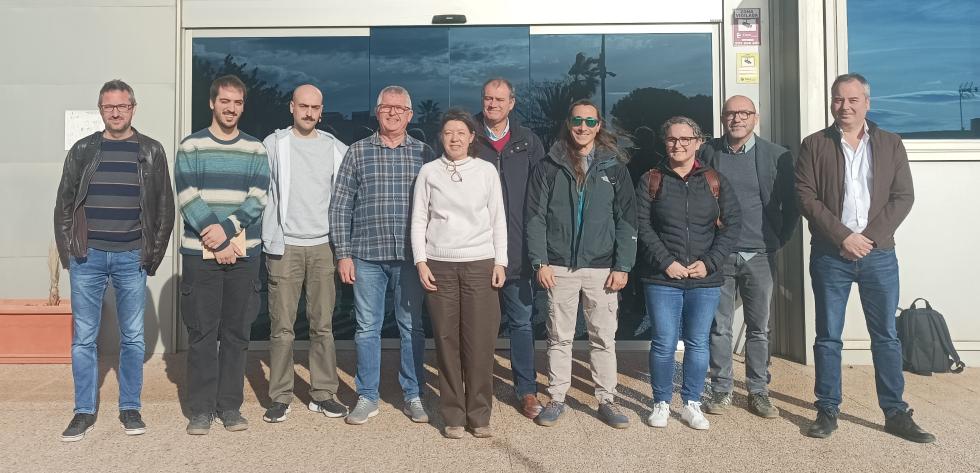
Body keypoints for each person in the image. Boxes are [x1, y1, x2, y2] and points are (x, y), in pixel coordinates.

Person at [796, 73, 934, 443]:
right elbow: (806, 197)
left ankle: (895, 412)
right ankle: (827, 409)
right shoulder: (814, 144)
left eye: (853, 99)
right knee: (828, 336)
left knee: (886, 336)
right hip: (831, 255)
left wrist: (867, 239)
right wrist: (843, 237)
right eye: (838, 99)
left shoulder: (890, 143)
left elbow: (903, 197)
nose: (845, 106)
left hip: (878, 255)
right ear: (831, 102)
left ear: (867, 103)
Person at [54, 79, 175, 441]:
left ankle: (130, 408)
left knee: (133, 337)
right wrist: (70, 253)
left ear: (133, 108)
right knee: (84, 338)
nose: (116, 112)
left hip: (131, 257)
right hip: (87, 257)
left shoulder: (151, 150)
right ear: (101, 110)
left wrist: (152, 256)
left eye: (122, 106)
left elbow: (165, 209)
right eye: (109, 107)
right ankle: (83, 411)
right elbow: (63, 205)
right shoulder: (83, 150)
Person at [526, 99, 637, 429]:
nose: (583, 127)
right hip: (558, 267)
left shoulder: (614, 168)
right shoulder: (548, 166)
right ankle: (557, 398)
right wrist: (540, 261)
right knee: (559, 337)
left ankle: (606, 399)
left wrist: (623, 265)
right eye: (577, 120)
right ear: (568, 123)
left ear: (599, 126)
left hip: (602, 268)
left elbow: (627, 220)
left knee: (603, 338)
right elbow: (535, 218)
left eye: (590, 121)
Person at [328, 85, 435, 425]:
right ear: (377, 112)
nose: (392, 113)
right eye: (387, 107)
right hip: (366, 255)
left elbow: (437, 205)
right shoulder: (357, 152)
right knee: (366, 328)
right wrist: (343, 254)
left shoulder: (424, 154)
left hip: (410, 258)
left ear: (410, 115)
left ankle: (413, 394)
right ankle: (367, 396)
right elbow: (340, 206)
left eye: (399, 108)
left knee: (412, 327)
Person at [175, 75, 270, 435]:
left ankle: (229, 407)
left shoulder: (255, 149)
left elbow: (258, 198)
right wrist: (217, 241)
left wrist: (227, 231)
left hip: (244, 255)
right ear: (212, 103)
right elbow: (187, 196)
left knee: (236, 333)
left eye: (238, 102)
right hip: (200, 255)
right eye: (225, 101)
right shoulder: (192, 146)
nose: (231, 108)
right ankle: (200, 410)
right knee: (202, 333)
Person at [636, 116, 741, 431]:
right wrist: (665, 261)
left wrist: (710, 262)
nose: (678, 145)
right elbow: (642, 226)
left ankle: (691, 402)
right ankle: (661, 402)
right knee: (664, 342)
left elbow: (732, 225)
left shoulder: (714, 180)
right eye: (672, 139)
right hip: (662, 278)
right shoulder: (651, 179)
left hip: (703, 279)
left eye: (685, 139)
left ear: (698, 143)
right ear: (665, 142)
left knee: (698, 342)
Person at [699, 95, 798, 418]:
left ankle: (758, 391)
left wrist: (778, 240)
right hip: (719, 253)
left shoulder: (777, 155)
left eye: (744, 113)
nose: (737, 119)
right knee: (720, 326)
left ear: (756, 117)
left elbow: (791, 205)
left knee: (759, 327)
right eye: (731, 113)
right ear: (723, 118)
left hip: (760, 253)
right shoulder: (708, 152)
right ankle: (722, 388)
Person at [411, 108, 507, 439]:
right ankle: (453, 414)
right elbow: (419, 218)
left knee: (480, 342)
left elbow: (498, 218)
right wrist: (421, 261)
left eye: (461, 133)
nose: (454, 138)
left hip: (480, 264)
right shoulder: (429, 172)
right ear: (441, 137)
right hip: (439, 265)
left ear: (471, 137)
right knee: (446, 341)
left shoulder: (486, 170)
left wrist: (500, 262)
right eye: (449, 132)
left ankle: (479, 415)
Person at [260, 85, 349, 423]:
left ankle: (323, 394)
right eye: (303, 106)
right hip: (285, 246)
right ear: (292, 107)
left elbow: (347, 197)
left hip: (323, 247)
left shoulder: (335, 148)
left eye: (315, 108)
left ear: (321, 111)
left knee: (322, 326)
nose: (309, 113)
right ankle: (280, 397)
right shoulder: (274, 144)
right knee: (282, 328)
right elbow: (259, 192)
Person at [472, 78, 546, 418]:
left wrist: (537, 248)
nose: (493, 104)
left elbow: (541, 196)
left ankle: (526, 390)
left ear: (512, 103)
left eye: (499, 99)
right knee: (477, 326)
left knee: (521, 323)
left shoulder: (527, 141)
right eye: (488, 98)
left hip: (517, 250)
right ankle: (476, 388)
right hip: (477, 250)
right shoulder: (468, 135)